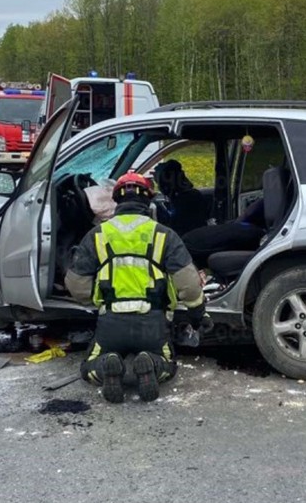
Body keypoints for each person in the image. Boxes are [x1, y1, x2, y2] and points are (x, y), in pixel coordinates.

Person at [65, 170, 212, 403]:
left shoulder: (97, 235)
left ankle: (107, 366)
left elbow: (77, 285)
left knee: (88, 368)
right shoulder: (165, 235)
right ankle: (152, 363)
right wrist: (197, 315)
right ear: (148, 199)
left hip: (111, 324)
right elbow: (189, 285)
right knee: (168, 365)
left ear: (117, 200)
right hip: (153, 323)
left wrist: (94, 300)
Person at [152, 159, 211, 236]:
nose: (159, 187)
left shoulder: (185, 201)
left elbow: (174, 229)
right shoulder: (191, 195)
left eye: (159, 183)